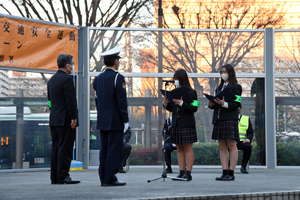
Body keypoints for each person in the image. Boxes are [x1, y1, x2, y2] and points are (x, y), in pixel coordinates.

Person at [93, 47, 129, 187]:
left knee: (104, 149)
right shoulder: (117, 77)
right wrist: (125, 120)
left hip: (103, 120)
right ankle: (110, 177)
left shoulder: (97, 79)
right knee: (114, 149)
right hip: (115, 120)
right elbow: (122, 102)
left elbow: (97, 100)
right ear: (115, 61)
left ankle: (104, 177)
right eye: (118, 60)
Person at [47, 54, 80, 184]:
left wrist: (53, 111)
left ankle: (54, 177)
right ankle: (63, 175)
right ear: (67, 66)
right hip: (65, 119)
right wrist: (74, 117)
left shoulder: (51, 80)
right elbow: (70, 101)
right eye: (72, 63)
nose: (73, 66)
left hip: (54, 119)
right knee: (65, 148)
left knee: (56, 148)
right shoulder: (67, 79)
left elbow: (49, 101)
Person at [208, 64, 242, 181]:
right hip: (219, 119)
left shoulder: (237, 87)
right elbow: (217, 104)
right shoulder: (219, 88)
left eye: (225, 72)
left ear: (230, 73)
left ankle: (231, 172)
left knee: (231, 146)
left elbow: (237, 104)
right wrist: (211, 104)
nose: (223, 74)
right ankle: (224, 171)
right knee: (222, 147)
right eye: (221, 72)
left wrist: (224, 104)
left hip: (229, 119)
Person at [164, 69, 199, 181]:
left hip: (187, 123)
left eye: (176, 79)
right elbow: (172, 109)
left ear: (182, 79)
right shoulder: (174, 91)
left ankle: (188, 173)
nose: (175, 81)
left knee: (188, 148)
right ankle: (181, 172)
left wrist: (182, 103)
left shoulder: (193, 92)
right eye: (174, 79)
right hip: (176, 123)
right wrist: (166, 104)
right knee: (179, 148)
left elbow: (194, 108)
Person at [237, 105, 253, 174]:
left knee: (248, 146)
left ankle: (243, 166)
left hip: (241, 142)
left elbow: (250, 132)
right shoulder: (228, 119)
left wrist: (248, 139)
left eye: (237, 108)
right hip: (230, 142)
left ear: (240, 109)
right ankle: (228, 168)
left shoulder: (246, 119)